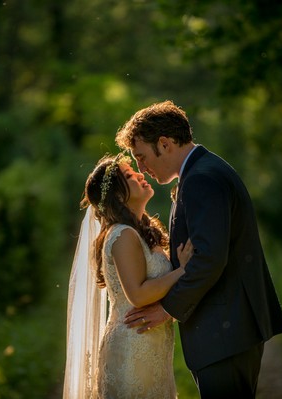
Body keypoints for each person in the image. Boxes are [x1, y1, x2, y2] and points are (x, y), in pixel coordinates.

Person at [116, 100, 282, 398]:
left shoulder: (201, 179)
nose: (141, 168)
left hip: (225, 331)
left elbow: (209, 259)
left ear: (165, 143)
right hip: (226, 330)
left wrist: (168, 309)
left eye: (142, 157)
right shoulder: (202, 171)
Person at [63, 153, 193, 399]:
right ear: (119, 195)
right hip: (132, 348)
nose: (140, 174)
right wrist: (183, 271)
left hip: (150, 346)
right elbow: (138, 294)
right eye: (129, 176)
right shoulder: (123, 235)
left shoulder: (142, 231)